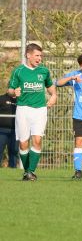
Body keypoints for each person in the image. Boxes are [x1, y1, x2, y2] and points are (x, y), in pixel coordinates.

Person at [7, 43, 57, 180]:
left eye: (41, 56)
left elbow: (50, 87)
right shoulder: (18, 71)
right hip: (23, 110)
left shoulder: (44, 71)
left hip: (40, 110)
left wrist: (54, 95)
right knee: (23, 142)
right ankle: (27, 172)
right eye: (37, 55)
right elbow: (10, 89)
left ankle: (31, 172)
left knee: (37, 139)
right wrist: (14, 92)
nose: (39, 58)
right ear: (28, 55)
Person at [56, 54, 82, 179]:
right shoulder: (75, 75)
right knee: (78, 141)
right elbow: (57, 83)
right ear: (81, 66)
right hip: (79, 115)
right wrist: (72, 78)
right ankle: (78, 171)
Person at [0, 91, 18, 168]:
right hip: (1, 130)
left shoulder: (20, 100)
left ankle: (12, 169)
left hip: (15, 131)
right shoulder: (1, 98)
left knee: (14, 151)